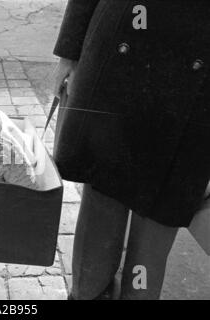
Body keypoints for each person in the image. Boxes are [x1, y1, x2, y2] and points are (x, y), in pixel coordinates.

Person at [53, 0, 210, 299]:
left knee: (159, 218)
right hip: (119, 57)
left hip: (198, 90)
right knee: (102, 208)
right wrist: (70, 53)